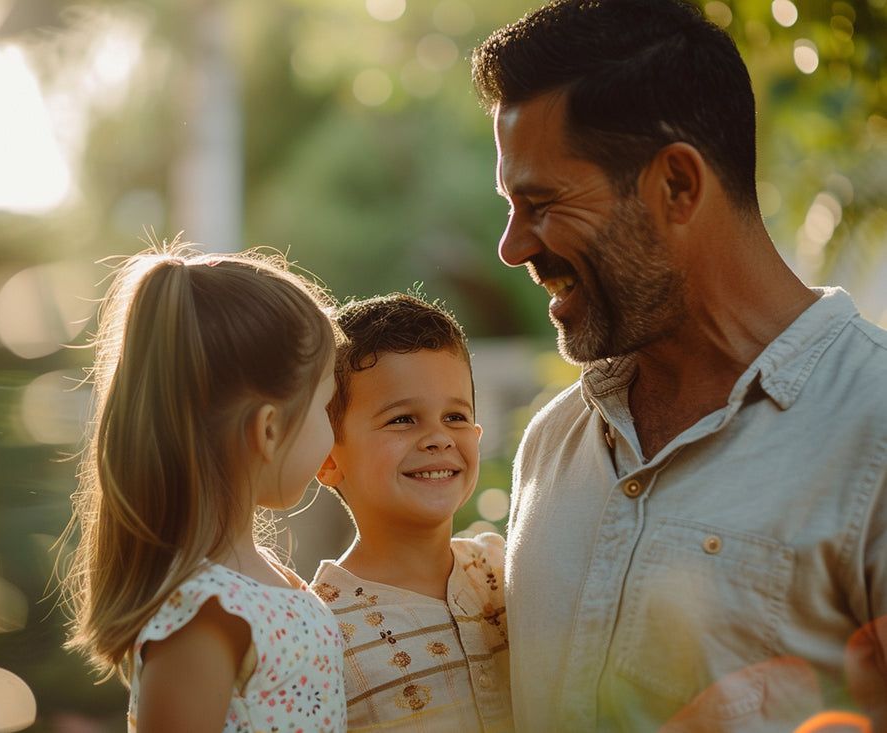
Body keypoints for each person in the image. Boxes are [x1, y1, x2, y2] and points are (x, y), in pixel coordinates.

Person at [470, 0, 887, 730]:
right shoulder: (550, 443)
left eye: (540, 202)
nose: (512, 247)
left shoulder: (874, 430)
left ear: (677, 186)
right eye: (510, 205)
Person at [60, 242, 347, 732]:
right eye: (326, 404)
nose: (333, 429)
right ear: (269, 429)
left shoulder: (256, 583)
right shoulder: (205, 618)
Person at [309, 291, 512, 731]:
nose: (439, 438)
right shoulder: (315, 632)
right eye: (403, 420)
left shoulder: (506, 571)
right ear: (326, 457)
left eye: (455, 417)